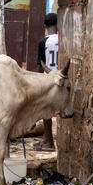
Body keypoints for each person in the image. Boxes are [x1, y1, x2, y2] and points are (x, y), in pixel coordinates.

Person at [34, 13, 58, 151]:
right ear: (58, 24)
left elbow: (40, 65)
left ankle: (49, 143)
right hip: (61, 78)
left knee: (46, 113)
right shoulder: (63, 39)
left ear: (45, 26)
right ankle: (45, 140)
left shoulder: (43, 42)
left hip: (48, 80)